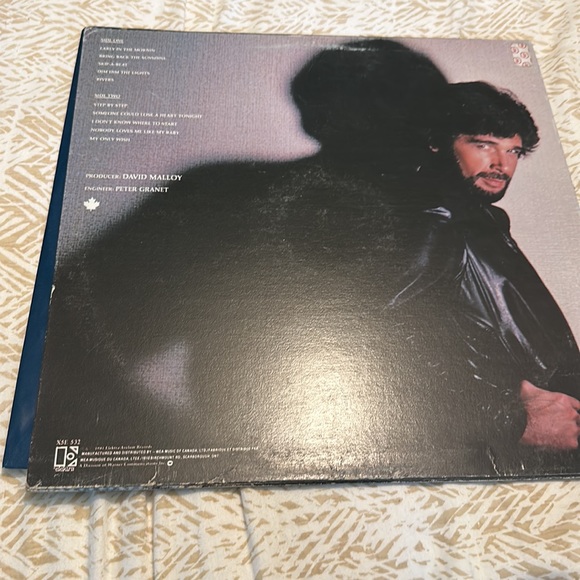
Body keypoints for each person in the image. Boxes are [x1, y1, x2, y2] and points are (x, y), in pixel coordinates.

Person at [390, 81, 580, 473]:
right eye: (483, 145)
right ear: (437, 142)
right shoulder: (431, 224)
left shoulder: (481, 220)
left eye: (513, 151)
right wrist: (513, 422)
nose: (501, 165)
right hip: (514, 454)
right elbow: (385, 354)